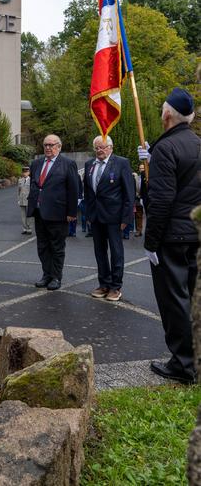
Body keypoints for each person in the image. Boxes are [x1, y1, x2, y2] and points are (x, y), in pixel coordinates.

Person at [138, 87, 200, 384]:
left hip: (173, 238)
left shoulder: (165, 149)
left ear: (167, 115)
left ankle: (184, 365)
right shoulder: (198, 144)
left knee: (175, 301)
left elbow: (161, 201)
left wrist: (151, 242)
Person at [84, 135, 134, 302]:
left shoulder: (121, 163)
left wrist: (126, 218)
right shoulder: (89, 164)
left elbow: (129, 193)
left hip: (115, 217)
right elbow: (88, 193)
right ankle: (104, 283)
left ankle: (115, 286)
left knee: (116, 252)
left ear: (111, 148)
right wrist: (88, 215)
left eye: (103, 147)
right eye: (97, 147)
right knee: (100, 252)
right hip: (96, 216)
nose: (100, 150)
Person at [27, 134, 78, 291]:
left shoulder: (68, 164)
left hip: (58, 213)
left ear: (59, 147)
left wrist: (72, 212)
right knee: (42, 246)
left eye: (51, 145)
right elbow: (36, 185)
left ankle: (56, 276)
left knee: (57, 247)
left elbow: (73, 189)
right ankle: (46, 274)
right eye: (45, 145)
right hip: (39, 211)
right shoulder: (36, 163)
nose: (48, 148)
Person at [17, 166, 33, 235]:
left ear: (29, 172)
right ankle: (24, 228)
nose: (24, 173)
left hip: (29, 200)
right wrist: (18, 199)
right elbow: (18, 191)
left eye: (26, 172)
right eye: (23, 172)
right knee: (23, 215)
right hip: (22, 200)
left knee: (29, 214)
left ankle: (29, 228)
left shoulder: (31, 180)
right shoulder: (20, 180)